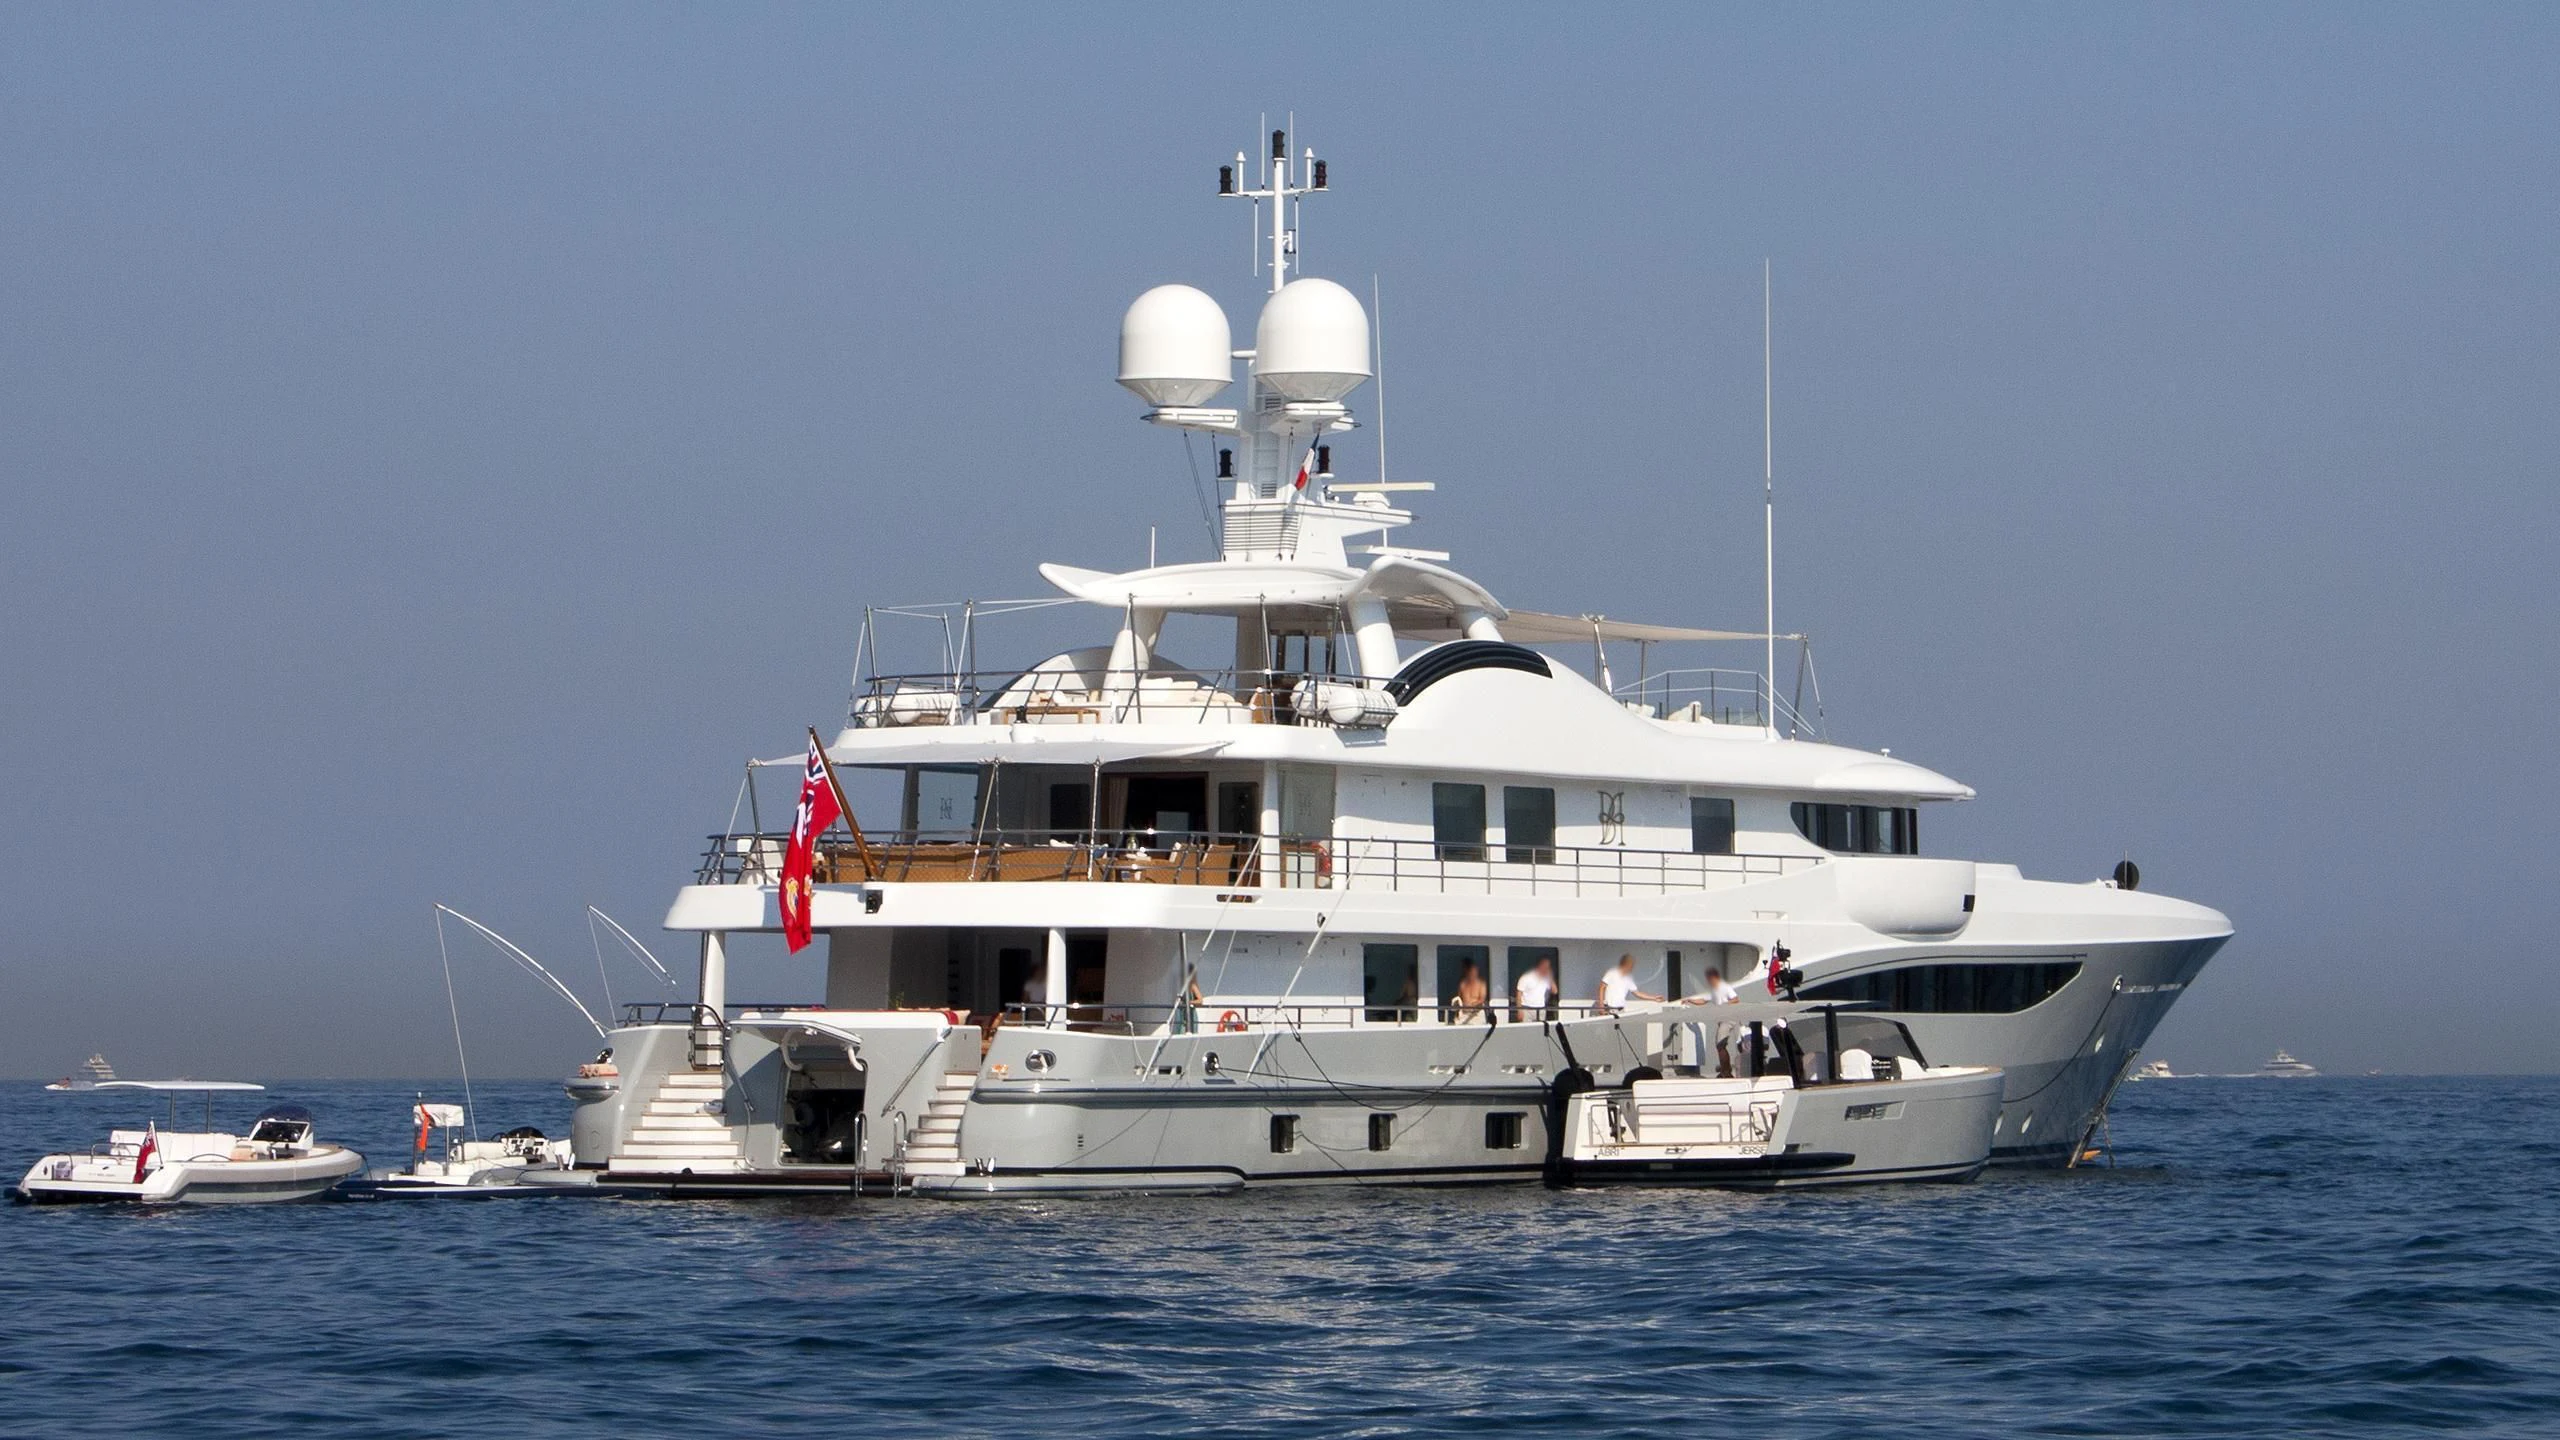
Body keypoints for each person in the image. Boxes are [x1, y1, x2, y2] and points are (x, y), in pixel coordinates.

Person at [1679, 965, 1742, 1076]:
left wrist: (1723, 1006)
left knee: (1725, 1044)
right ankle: (1726, 1070)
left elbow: (1735, 999)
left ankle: (1728, 1071)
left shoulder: (1725, 987)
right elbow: (1703, 1000)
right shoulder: (1713, 990)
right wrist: (1690, 1000)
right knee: (1720, 1045)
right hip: (1722, 1019)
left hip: (1730, 1017)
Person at [1596, 953, 1662, 1015]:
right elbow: (1601, 988)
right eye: (1630, 965)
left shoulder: (1628, 978)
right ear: (1625, 964)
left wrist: (1654, 998)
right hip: (1609, 1009)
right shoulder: (1612, 972)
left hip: (1621, 1010)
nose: (1631, 967)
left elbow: (1637, 993)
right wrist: (1601, 1007)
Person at [1512, 956, 1558, 1023]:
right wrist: (1519, 1010)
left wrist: (1550, 977)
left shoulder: (1546, 979)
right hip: (1527, 1009)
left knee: (1540, 1031)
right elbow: (1519, 995)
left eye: (1548, 967)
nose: (1546, 968)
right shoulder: (1526, 977)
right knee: (1526, 1030)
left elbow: (1555, 991)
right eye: (1545, 966)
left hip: (1541, 1009)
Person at [1448, 958, 1490, 1023]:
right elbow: (1459, 998)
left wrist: (1472, 1005)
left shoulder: (1481, 984)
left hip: (1477, 1015)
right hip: (1464, 1014)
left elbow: (1482, 999)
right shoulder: (1462, 984)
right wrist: (1457, 1004)